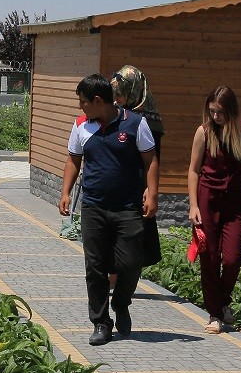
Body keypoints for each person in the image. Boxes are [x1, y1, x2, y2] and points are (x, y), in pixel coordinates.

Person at [59, 73, 159, 346]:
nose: (81, 107)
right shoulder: (81, 125)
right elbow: (73, 159)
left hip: (128, 207)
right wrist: (66, 192)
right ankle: (101, 323)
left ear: (99, 100)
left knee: (131, 262)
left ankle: (122, 302)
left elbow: (150, 160)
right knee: (95, 266)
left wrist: (152, 193)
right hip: (94, 206)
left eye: (83, 102)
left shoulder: (136, 124)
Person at [187, 85, 241, 334]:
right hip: (208, 200)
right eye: (212, 111)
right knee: (210, 256)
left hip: (236, 201)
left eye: (220, 112)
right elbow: (194, 170)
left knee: (233, 257)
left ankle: (223, 301)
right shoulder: (204, 132)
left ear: (231, 110)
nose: (216, 117)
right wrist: (193, 205)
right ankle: (215, 314)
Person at [111, 66, 165, 268]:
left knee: (132, 235)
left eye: (120, 95)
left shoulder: (148, 122)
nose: (116, 100)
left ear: (133, 92)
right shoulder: (117, 115)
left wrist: (150, 191)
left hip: (137, 186)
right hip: (117, 183)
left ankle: (123, 278)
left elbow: (153, 160)